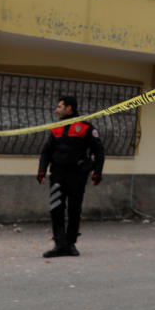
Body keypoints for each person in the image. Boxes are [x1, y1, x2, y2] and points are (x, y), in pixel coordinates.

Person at [37, 95, 105, 258]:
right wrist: (41, 171)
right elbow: (46, 151)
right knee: (56, 209)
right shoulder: (56, 128)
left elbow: (99, 151)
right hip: (57, 175)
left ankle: (71, 243)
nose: (56, 110)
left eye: (59, 107)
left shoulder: (85, 127)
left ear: (69, 108)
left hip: (77, 176)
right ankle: (59, 245)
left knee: (75, 210)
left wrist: (97, 172)